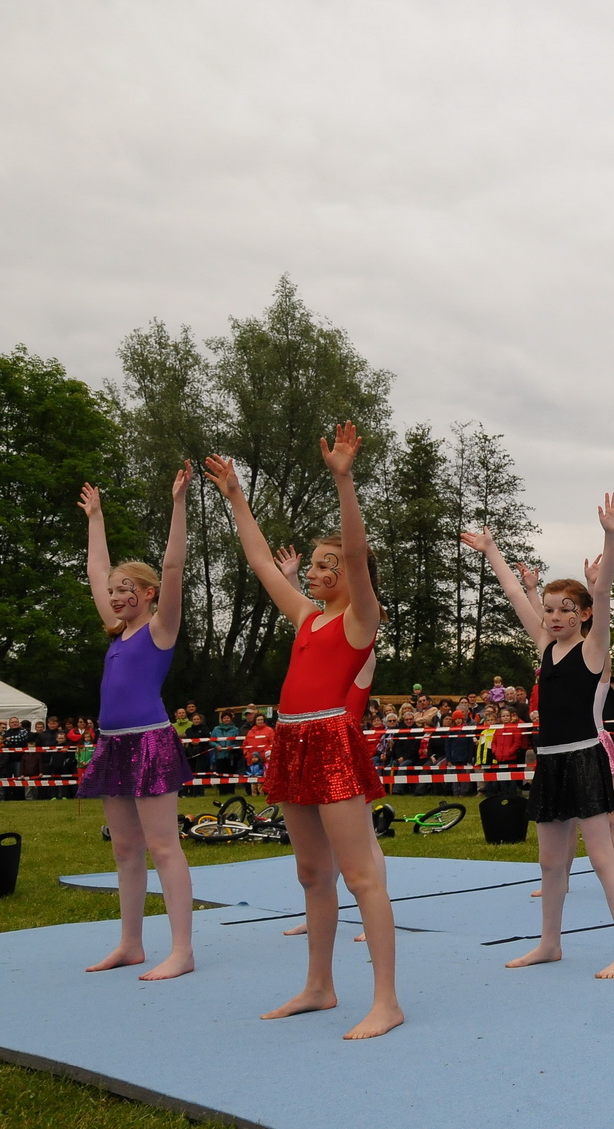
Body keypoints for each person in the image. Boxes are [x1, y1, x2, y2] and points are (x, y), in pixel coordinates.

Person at [204, 425, 402, 1039]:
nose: (314, 571)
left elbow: (356, 546)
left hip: (331, 745)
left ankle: (387, 1000)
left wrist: (343, 478)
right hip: (292, 743)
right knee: (311, 874)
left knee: (361, 874)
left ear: (350, 572)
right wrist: (237, 498)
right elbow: (262, 561)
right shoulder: (306, 618)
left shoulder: (359, 619)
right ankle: (319, 985)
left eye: (326, 564)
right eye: (313, 564)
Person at [461, 497, 614, 976]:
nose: (555, 616)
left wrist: (612, 536)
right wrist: (493, 552)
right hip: (551, 762)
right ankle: (549, 943)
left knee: (602, 859)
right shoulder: (545, 649)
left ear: (582, 615)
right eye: (550, 610)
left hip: (584, 757)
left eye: (566, 610)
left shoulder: (594, 649)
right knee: (550, 863)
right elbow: (518, 598)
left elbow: (602, 601)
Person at [75, 463, 196, 980]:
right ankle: (130, 943)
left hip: (149, 742)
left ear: (146, 595)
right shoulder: (116, 633)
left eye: (127, 589)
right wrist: (95, 518)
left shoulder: (160, 629)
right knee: (124, 848)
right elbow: (95, 571)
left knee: (163, 845)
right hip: (112, 744)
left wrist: (178, 504)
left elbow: (173, 568)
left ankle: (183, 950)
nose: (116, 594)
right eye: (113, 589)